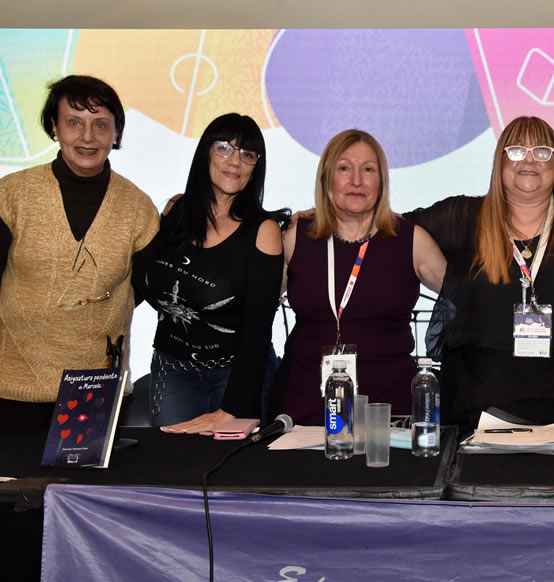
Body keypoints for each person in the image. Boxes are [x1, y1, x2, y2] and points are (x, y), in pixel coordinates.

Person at [406, 116, 554, 432]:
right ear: (499, 161)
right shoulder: (463, 218)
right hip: (479, 412)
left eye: (542, 151)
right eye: (516, 150)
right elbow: (388, 229)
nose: (529, 160)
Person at [0, 75, 159, 426]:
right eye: (74, 122)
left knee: (84, 468)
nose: (88, 137)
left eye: (100, 124)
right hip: (10, 389)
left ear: (116, 133)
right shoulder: (10, 195)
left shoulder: (138, 208)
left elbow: (141, 288)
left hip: (94, 391)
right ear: (54, 127)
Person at [276, 129, 446, 424]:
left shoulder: (411, 240)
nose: (356, 180)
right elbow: (254, 312)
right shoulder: (295, 237)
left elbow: (464, 301)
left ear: (382, 181)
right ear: (327, 177)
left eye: (368, 169)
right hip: (305, 412)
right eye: (344, 168)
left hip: (389, 414)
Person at [137, 113, 288, 433]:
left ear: (256, 166)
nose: (235, 161)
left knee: (228, 463)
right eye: (224, 148)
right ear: (205, 152)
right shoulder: (175, 209)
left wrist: (233, 408)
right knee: (169, 462)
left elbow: (258, 331)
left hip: (235, 375)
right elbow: (145, 282)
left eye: (248, 154)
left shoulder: (264, 231)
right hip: (172, 369)